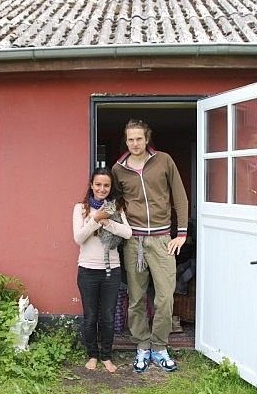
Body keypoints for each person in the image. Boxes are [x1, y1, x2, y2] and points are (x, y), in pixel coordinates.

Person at [112, 119, 188, 373]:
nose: (135, 144)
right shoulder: (118, 169)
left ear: (147, 139)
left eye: (139, 139)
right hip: (134, 241)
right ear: (126, 140)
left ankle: (160, 347)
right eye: (130, 139)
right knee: (136, 299)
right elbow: (115, 202)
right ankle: (142, 346)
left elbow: (180, 196)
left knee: (165, 297)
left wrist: (182, 233)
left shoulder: (164, 160)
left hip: (162, 239)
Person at [73, 167, 132, 373]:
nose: (102, 188)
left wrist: (107, 222)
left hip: (112, 271)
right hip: (87, 271)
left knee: (107, 315)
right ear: (91, 185)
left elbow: (127, 233)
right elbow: (79, 238)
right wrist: (94, 218)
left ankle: (106, 356)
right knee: (90, 316)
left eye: (106, 185)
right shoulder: (80, 208)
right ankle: (92, 355)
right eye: (98, 184)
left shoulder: (117, 207)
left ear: (110, 187)